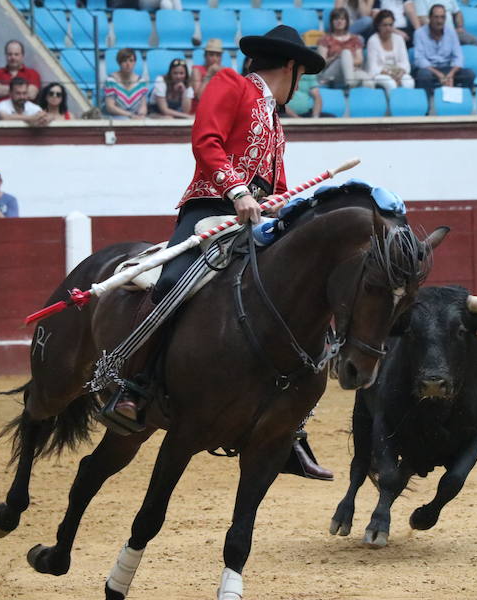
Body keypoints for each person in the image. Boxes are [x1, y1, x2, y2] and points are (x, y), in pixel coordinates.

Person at [111, 25, 333, 481]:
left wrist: (282, 203)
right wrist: (236, 191)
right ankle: (133, 388)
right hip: (211, 207)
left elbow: (279, 182)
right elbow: (206, 141)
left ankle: (289, 425)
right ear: (289, 67)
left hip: (256, 218)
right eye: (302, 75)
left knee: (299, 294)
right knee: (173, 282)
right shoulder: (229, 84)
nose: (302, 85)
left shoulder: (275, 119)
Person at [412, 4, 475, 95]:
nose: (439, 21)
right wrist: (438, 74)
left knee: (469, 74)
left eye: (442, 17)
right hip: (429, 69)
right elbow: (419, 60)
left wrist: (451, 74)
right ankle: (428, 105)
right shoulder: (419, 33)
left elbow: (458, 57)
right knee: (424, 75)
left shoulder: (451, 32)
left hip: (447, 69)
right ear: (429, 18)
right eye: (436, 17)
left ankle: (463, 103)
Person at [318, 8, 373, 89]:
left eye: (342, 19)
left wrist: (346, 62)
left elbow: (359, 60)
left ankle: (363, 98)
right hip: (332, 73)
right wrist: (336, 58)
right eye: (336, 19)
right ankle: (349, 84)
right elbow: (321, 63)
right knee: (345, 52)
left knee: (368, 81)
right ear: (332, 22)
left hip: (352, 71)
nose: (339, 21)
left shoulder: (355, 39)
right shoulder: (325, 39)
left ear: (347, 21)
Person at [366, 9, 415, 91]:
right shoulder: (372, 41)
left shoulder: (399, 39)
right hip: (380, 74)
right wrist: (390, 74)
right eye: (385, 25)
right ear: (378, 26)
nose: (388, 28)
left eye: (390, 25)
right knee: (391, 83)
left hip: (398, 72)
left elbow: (405, 63)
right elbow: (373, 68)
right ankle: (392, 103)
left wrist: (399, 74)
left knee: (409, 82)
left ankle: (406, 103)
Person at [0, 40, 41, 105]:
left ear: (22, 56)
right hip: (1, 112)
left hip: (25, 113)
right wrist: (22, 91)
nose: (13, 57)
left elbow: (32, 94)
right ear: (5, 55)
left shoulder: (33, 73)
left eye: (16, 54)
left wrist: (3, 88)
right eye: (10, 54)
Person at [104, 47, 148, 120]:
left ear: (135, 62)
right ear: (119, 63)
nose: (128, 64)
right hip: (117, 117)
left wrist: (141, 114)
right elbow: (110, 107)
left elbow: (143, 106)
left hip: (136, 117)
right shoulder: (111, 81)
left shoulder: (141, 82)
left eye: (131, 61)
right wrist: (130, 115)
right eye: (124, 61)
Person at [413, 0, 477, 45]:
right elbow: (422, 18)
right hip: (434, 34)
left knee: (472, 40)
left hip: (452, 33)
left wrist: (460, 27)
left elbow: (458, 13)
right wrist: (441, 31)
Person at [191, 37, 224, 104]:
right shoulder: (197, 70)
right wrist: (209, 74)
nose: (215, 58)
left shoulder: (224, 71)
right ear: (205, 56)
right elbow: (199, 97)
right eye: (211, 55)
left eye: (218, 55)